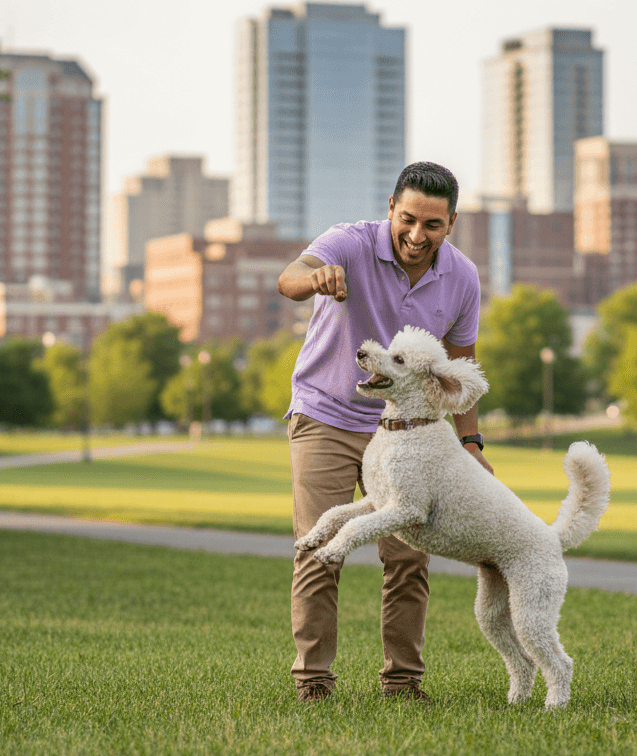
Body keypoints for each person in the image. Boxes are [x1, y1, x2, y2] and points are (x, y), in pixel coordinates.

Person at [276, 162, 492, 704]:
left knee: (408, 557)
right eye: (408, 219)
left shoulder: (462, 277)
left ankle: (402, 681)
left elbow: (460, 370)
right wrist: (314, 279)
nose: (417, 235)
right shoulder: (348, 243)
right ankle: (313, 681)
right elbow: (289, 278)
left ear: (451, 223)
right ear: (391, 208)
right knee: (319, 545)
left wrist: (470, 444)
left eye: (433, 225)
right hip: (326, 416)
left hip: (407, 429)